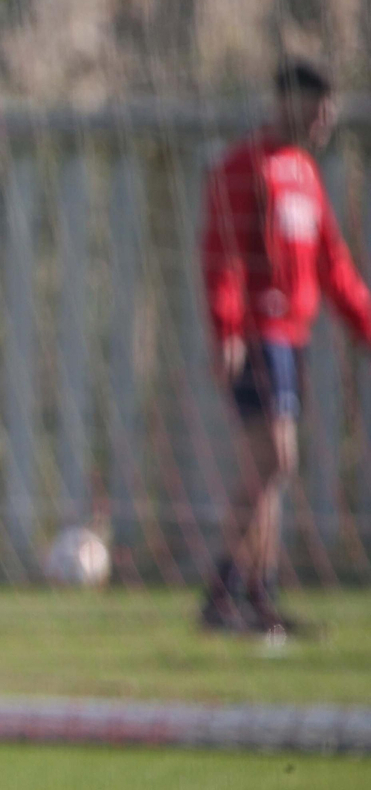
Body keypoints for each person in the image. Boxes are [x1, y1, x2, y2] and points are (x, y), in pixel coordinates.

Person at [200, 58, 371, 635]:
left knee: (268, 470)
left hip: (289, 338)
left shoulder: (304, 174)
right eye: (317, 105)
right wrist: (226, 327)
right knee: (274, 460)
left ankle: (256, 597)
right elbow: (221, 251)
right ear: (287, 102)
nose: (326, 118)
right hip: (255, 334)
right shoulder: (244, 167)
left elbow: (334, 266)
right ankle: (226, 593)